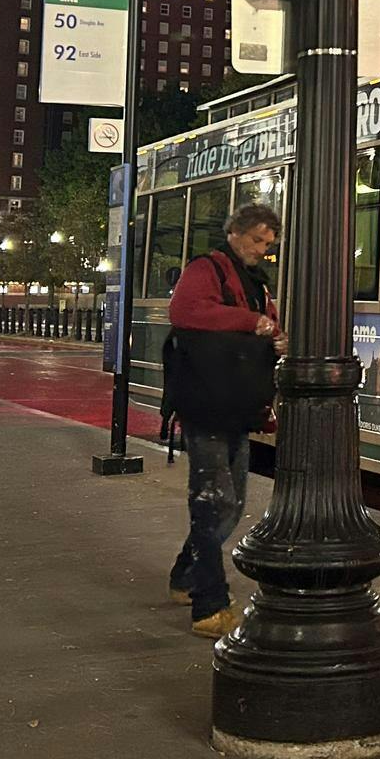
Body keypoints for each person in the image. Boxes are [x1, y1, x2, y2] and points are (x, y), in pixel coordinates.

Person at [164, 202, 285, 640]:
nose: (262, 250)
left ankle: (185, 575)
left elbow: (261, 326)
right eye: (257, 240)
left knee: (228, 502)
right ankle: (209, 605)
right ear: (234, 233)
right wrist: (252, 321)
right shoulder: (207, 269)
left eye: (268, 244)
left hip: (234, 404)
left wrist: (271, 332)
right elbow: (186, 312)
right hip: (206, 402)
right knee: (211, 501)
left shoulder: (256, 283)